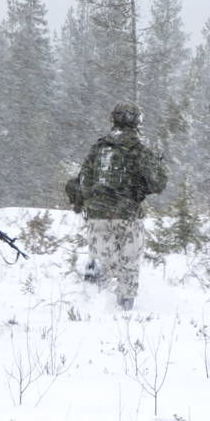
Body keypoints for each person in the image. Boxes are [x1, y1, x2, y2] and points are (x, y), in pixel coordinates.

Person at [67, 102, 167, 311]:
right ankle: (124, 308)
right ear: (136, 121)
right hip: (128, 216)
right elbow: (158, 185)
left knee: (102, 260)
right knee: (128, 265)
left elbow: (84, 184)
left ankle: (90, 302)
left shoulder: (97, 149)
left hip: (97, 216)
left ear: (114, 118)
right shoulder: (140, 151)